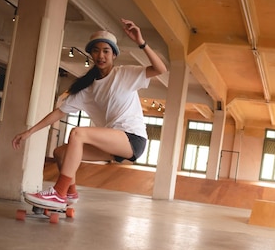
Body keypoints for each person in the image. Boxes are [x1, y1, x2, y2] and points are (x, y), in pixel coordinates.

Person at [12, 18, 168, 209]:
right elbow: (57, 113)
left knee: (78, 133)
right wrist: (29, 132)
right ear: (91, 54)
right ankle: (70, 193)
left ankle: (58, 193)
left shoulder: (125, 74)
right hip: (112, 143)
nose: (100, 55)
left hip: (132, 139)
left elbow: (161, 69)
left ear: (114, 55)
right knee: (60, 152)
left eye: (106, 51)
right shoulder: (87, 88)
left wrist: (141, 42)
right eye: (96, 50)